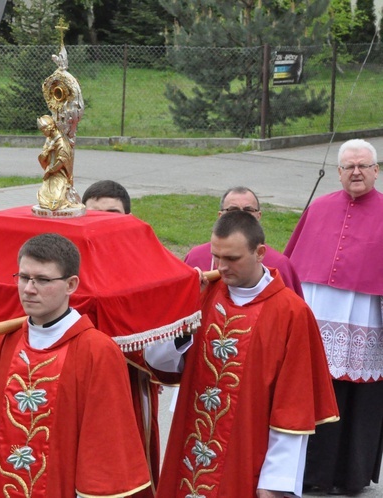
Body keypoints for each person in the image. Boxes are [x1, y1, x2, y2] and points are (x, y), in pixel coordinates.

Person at [0, 233, 152, 497]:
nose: (28, 289)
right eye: (23, 277)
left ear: (71, 284)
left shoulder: (97, 351)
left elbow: (106, 451)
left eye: (43, 280)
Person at [147, 210, 338, 497]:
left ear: (260, 252)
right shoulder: (202, 295)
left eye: (232, 259)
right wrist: (181, 313)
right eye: (216, 257)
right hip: (191, 443)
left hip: (247, 454)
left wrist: (275, 481)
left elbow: (293, 408)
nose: (221, 267)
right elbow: (158, 361)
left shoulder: (291, 313)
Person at [284, 138, 383, 495]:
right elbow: (290, 264)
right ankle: (308, 473)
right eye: (348, 167)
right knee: (309, 391)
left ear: (376, 170)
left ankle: (349, 475)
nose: (356, 172)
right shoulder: (319, 208)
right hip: (316, 314)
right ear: (338, 173)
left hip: (365, 319)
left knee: (355, 397)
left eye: (363, 166)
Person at [82, 180, 159, 496]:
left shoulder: (150, 265)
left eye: (111, 214)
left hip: (127, 384)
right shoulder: (60, 268)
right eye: (93, 214)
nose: (101, 221)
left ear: (129, 218)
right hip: (71, 384)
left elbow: (164, 345)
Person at [184, 186, 303, 296]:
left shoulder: (280, 263)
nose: (240, 216)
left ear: (258, 216)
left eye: (248, 210)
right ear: (220, 216)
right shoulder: (196, 257)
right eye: (232, 210)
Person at [36, 115, 83, 211]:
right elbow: (42, 157)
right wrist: (47, 151)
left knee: (57, 194)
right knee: (44, 193)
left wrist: (50, 171)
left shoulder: (61, 142)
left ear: (50, 127)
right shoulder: (49, 140)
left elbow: (62, 161)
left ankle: (63, 201)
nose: (42, 133)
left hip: (59, 174)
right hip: (50, 172)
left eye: (43, 130)